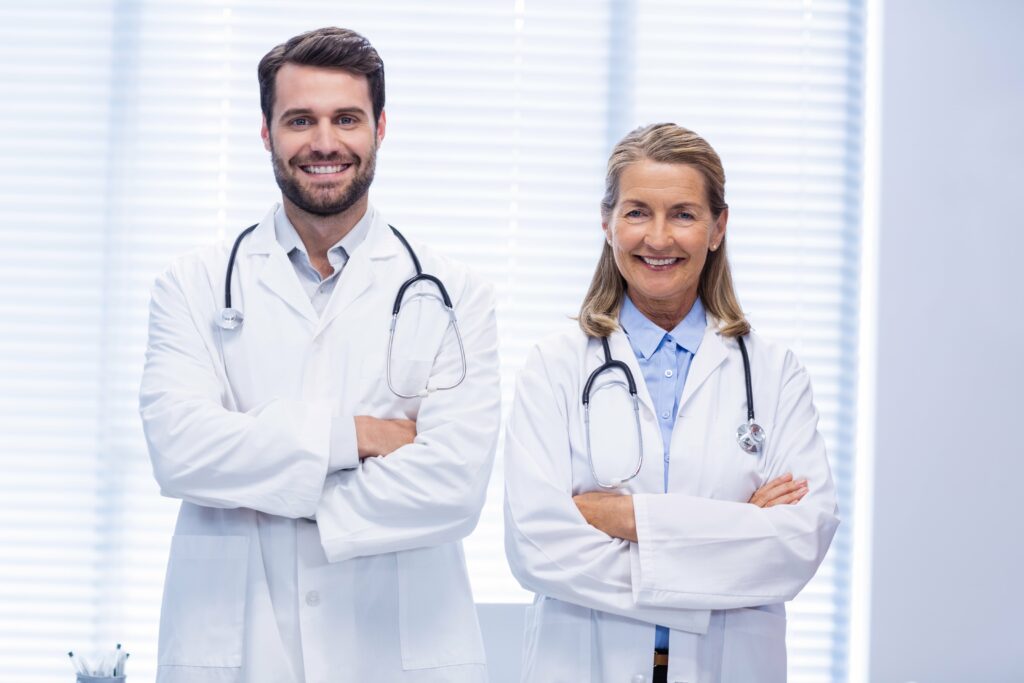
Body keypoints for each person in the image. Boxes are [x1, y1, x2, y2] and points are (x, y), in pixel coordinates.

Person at [139, 27, 500, 683]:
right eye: (300, 119)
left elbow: (454, 486)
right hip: (239, 651)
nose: (326, 142)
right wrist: (353, 437)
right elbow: (180, 449)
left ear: (381, 127)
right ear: (266, 130)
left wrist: (267, 481)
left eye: (347, 119)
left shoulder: (454, 293)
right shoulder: (191, 285)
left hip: (400, 651)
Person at [503, 123, 839, 683]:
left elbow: (799, 543)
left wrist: (623, 518)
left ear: (717, 228)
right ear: (606, 223)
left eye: (683, 214)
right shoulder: (554, 367)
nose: (658, 238)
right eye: (637, 212)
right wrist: (735, 530)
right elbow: (538, 548)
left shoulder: (775, 374)